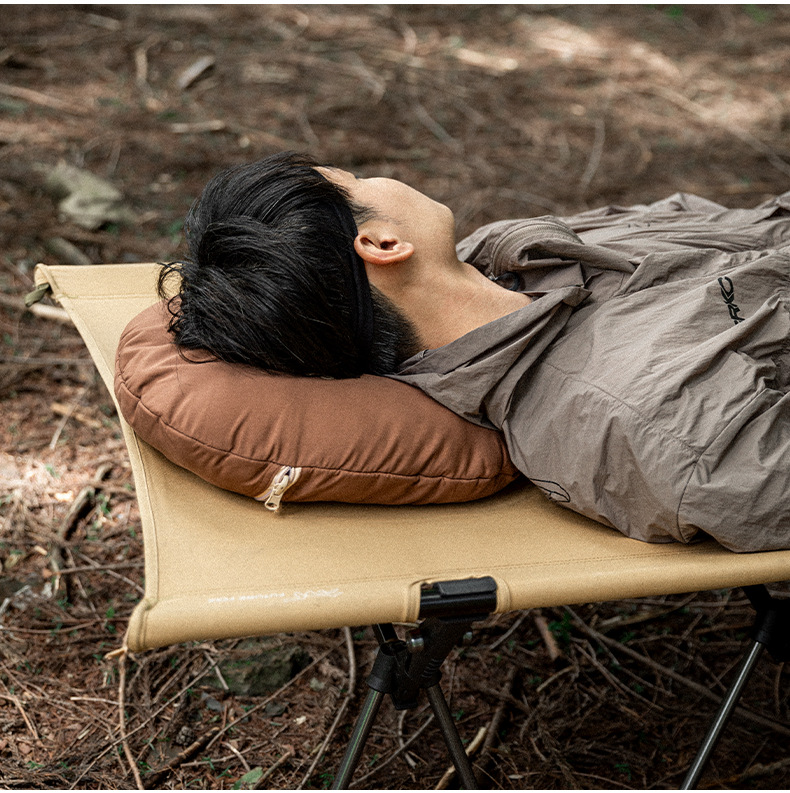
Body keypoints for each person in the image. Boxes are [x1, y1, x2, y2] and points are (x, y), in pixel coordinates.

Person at [160, 151, 790, 553]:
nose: (380, 173)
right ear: (382, 244)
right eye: (358, 179)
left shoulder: (506, 253)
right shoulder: (649, 418)